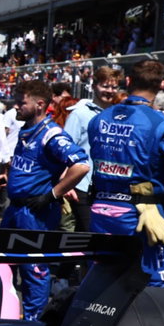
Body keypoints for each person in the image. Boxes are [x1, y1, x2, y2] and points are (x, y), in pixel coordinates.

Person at [86, 59, 164, 287]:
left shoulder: (99, 119)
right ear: (163, 85)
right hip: (141, 213)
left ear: (128, 81)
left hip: (101, 209)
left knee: (101, 279)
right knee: (150, 284)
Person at [0, 80, 89, 320]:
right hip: (15, 209)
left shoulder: (52, 134)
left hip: (36, 212)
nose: (15, 106)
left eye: (21, 102)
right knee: (1, 264)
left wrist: (52, 194)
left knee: (34, 270)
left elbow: (80, 166)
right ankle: (4, 317)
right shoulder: (27, 129)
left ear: (40, 104)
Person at [63, 66, 123, 233]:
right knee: (89, 232)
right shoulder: (79, 114)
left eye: (113, 87)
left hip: (108, 186)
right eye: (105, 86)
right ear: (94, 85)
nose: (109, 91)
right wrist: (65, 184)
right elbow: (64, 150)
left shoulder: (117, 115)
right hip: (82, 184)